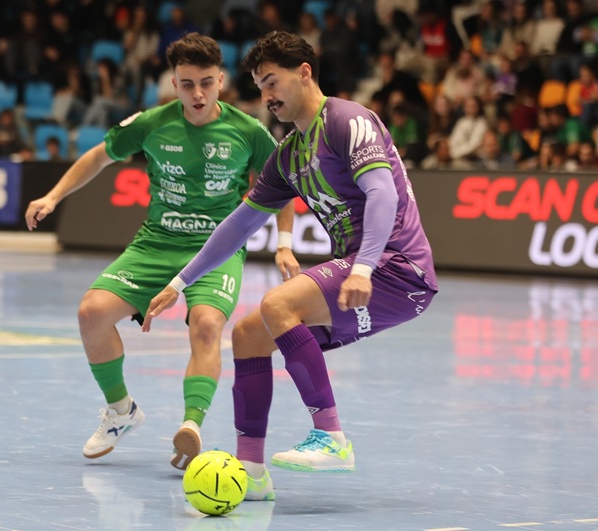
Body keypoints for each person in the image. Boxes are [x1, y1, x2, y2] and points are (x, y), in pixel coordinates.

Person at [143, 31, 438, 501]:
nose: (267, 96)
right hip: (362, 268)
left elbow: (382, 193)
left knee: (278, 303)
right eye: (260, 87)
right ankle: (252, 471)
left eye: (272, 82)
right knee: (247, 334)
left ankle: (332, 438)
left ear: (304, 73)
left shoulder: (347, 121)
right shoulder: (289, 154)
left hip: (396, 267)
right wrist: (180, 282)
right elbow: (238, 225)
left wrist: (363, 268)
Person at [24, 33, 297, 471]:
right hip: (156, 243)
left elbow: (282, 186)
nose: (198, 94)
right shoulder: (152, 123)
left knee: (207, 324)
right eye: (187, 84)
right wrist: (53, 196)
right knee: (91, 313)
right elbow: (98, 157)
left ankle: (191, 426)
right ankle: (120, 411)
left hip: (216, 249)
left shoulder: (248, 131)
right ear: (174, 84)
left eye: (206, 82)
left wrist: (284, 244)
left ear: (221, 81)